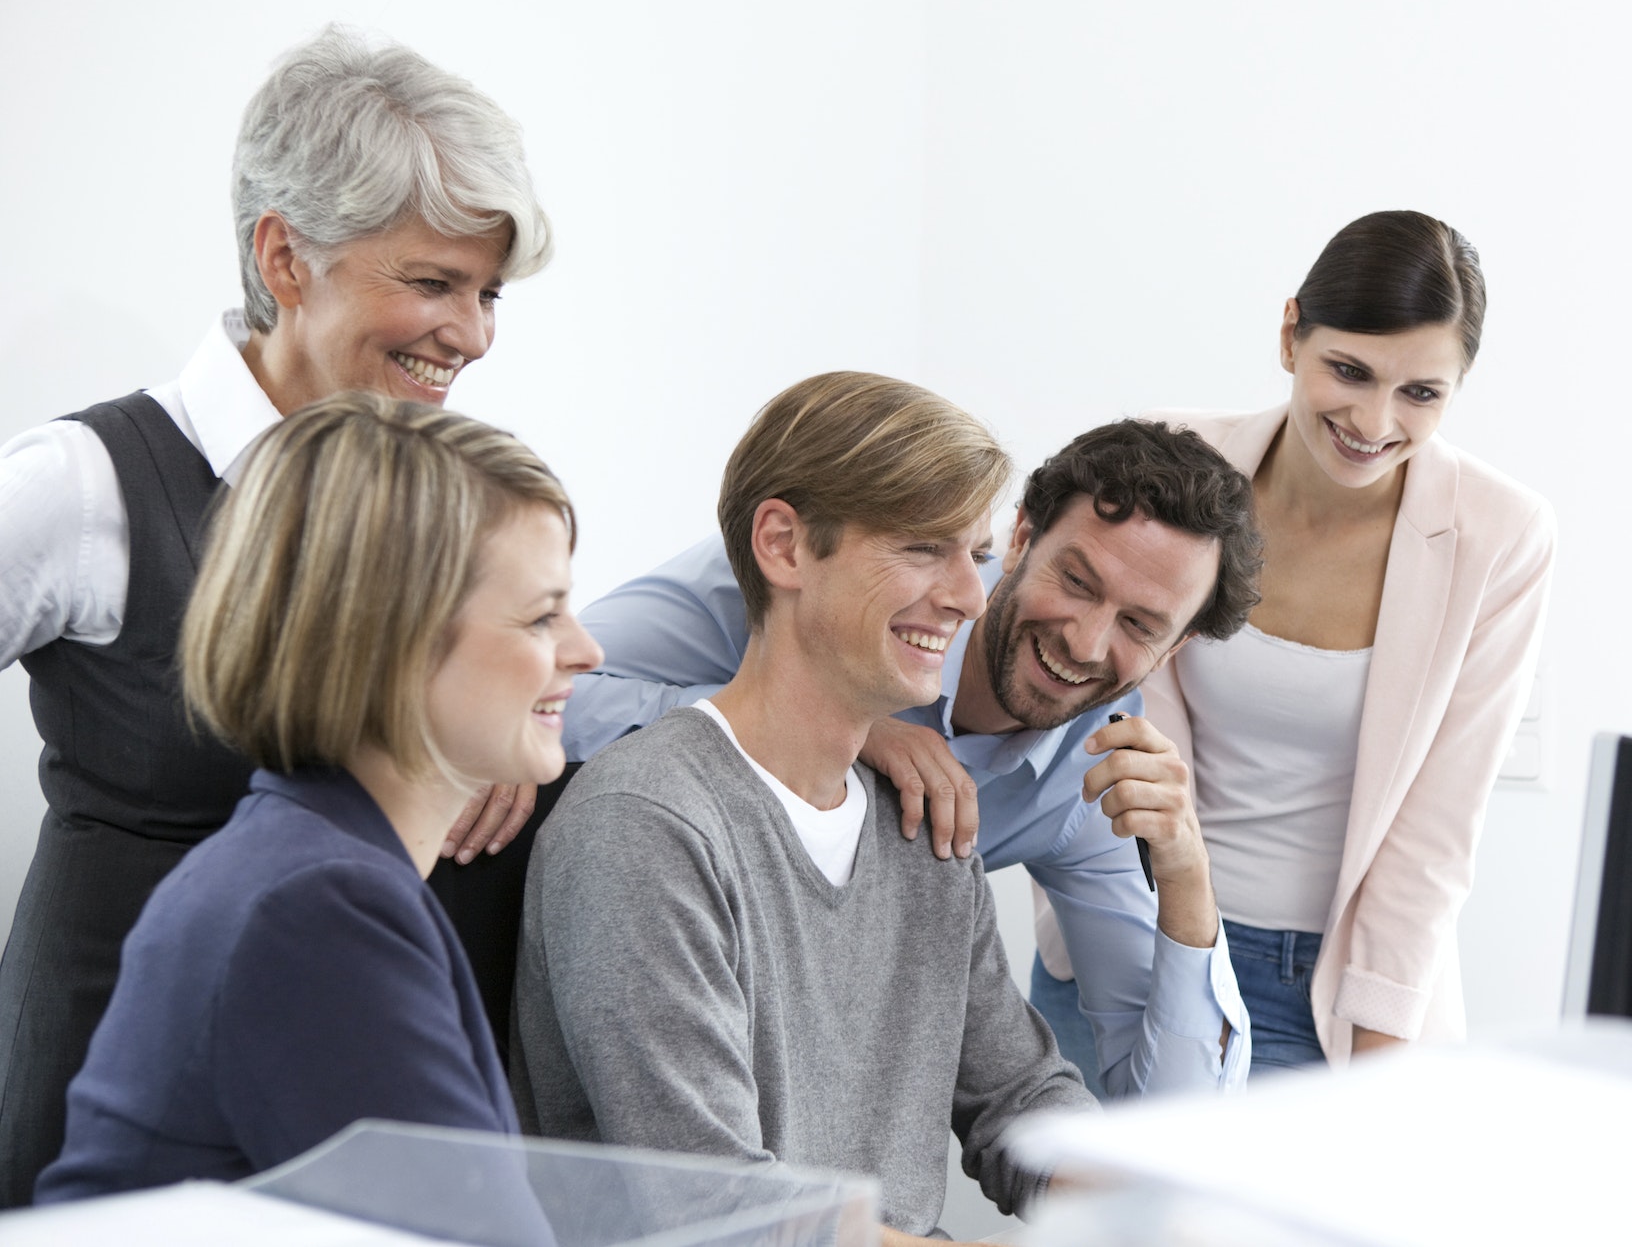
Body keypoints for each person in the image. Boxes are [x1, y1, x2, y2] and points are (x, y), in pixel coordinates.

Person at [0, 24, 554, 1205]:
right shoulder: (80, 483)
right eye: (431, 281)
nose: (472, 332)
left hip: (335, 1130)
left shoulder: (447, 499)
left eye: (487, 291)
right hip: (112, 1114)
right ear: (285, 257)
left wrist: (500, 731)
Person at [512, 373, 1099, 1242]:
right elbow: (720, 1212)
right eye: (922, 548)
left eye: (972, 555)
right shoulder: (644, 824)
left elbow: (1020, 1099)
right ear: (783, 545)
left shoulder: (923, 829)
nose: (971, 597)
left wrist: (1135, 1198)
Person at [557, 417, 1264, 1099]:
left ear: (1173, 650)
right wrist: (842, 723)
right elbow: (551, 692)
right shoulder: (811, 571)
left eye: (1139, 625)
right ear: (1020, 538)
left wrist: (1188, 877)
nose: (1084, 641)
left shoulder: (1095, 775)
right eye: (1076, 581)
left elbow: (1168, 1116)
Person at [35, 392, 601, 1201]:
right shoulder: (318, 907)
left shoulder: (313, 868)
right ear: (392, 641)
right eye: (544, 617)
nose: (588, 649)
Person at [1132, 209, 1556, 1075]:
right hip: (1140, 935)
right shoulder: (1169, 461)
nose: (1374, 419)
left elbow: (1437, 830)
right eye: (1349, 370)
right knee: (1098, 1215)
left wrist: (1372, 1058)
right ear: (1291, 335)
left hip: (1328, 988)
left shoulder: (1499, 535)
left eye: (1421, 393)